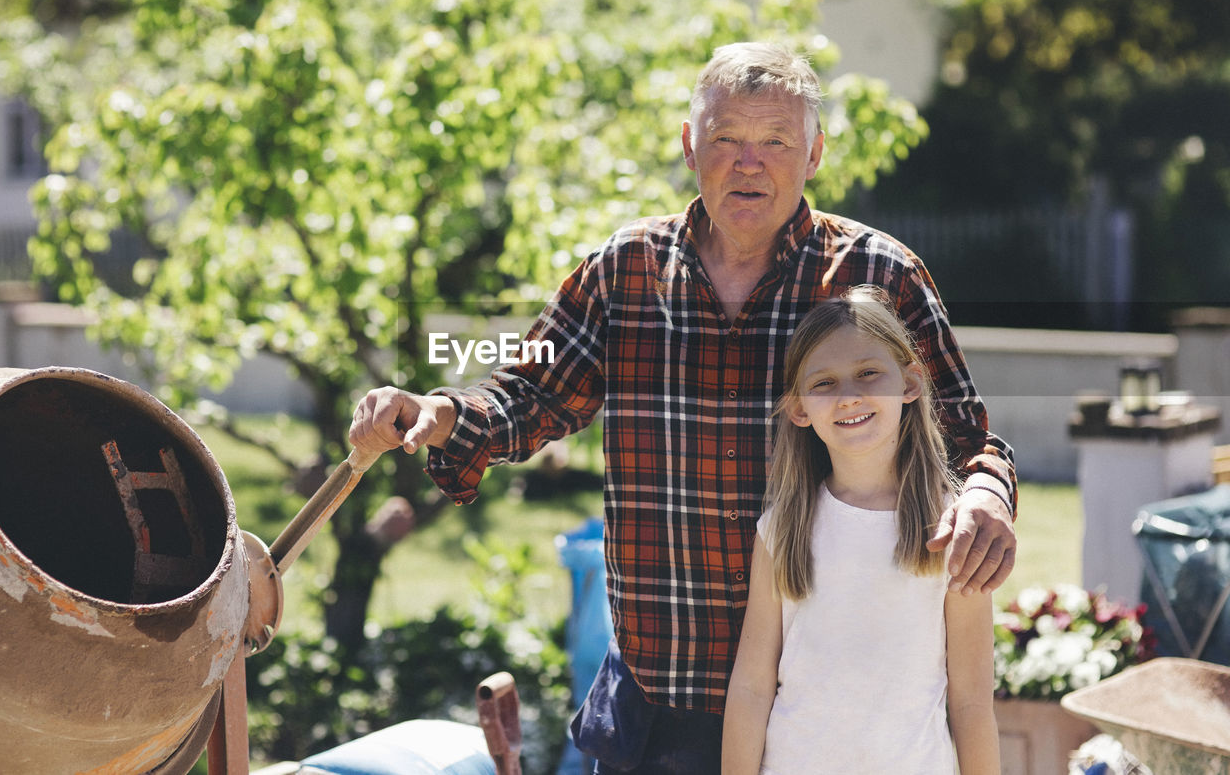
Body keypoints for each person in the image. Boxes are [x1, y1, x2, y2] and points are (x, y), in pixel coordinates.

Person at [349, 41, 1017, 774]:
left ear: (816, 153)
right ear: (689, 144)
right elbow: (530, 385)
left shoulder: (878, 274)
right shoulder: (623, 269)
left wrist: (985, 492)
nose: (748, 162)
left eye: (775, 142)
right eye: (726, 139)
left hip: (818, 723)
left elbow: (968, 437)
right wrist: (441, 410)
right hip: (657, 698)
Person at [721, 286, 1001, 775]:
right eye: (824, 382)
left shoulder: (954, 528)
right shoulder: (783, 527)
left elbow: (972, 701)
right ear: (799, 409)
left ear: (910, 383)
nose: (849, 395)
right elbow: (751, 686)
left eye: (869, 373)